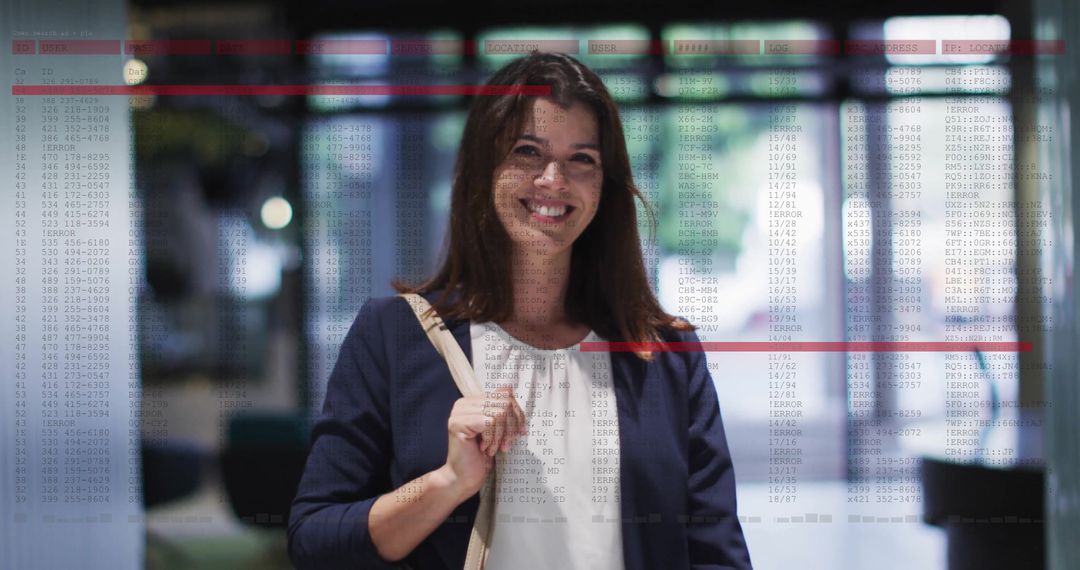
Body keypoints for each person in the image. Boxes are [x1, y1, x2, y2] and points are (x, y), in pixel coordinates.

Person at [287, 51, 753, 570]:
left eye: (582, 159)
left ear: (603, 187)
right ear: (485, 169)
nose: (554, 180)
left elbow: (717, 555)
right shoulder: (395, 336)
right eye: (527, 151)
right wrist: (448, 483)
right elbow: (315, 543)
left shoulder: (665, 354)